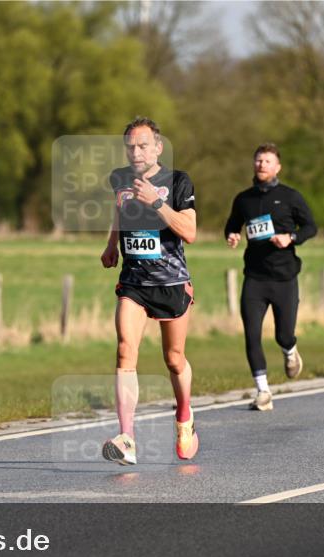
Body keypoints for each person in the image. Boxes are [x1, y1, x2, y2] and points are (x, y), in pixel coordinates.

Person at [100, 117, 199, 465]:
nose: (136, 152)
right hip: (133, 283)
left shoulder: (178, 181)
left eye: (143, 145)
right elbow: (120, 212)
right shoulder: (119, 178)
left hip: (171, 283)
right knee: (125, 351)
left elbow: (189, 232)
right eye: (130, 146)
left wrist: (156, 202)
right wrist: (111, 244)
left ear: (158, 147)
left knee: (174, 359)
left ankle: (184, 416)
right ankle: (127, 438)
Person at [224, 143, 317, 410]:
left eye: (267, 161)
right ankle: (263, 392)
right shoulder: (244, 199)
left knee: (283, 334)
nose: (261, 164)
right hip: (255, 277)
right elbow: (232, 224)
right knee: (252, 334)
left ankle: (290, 351)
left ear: (277, 167)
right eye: (258, 160)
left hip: (285, 277)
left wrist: (292, 238)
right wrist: (231, 234)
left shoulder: (290, 197)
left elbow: (311, 226)